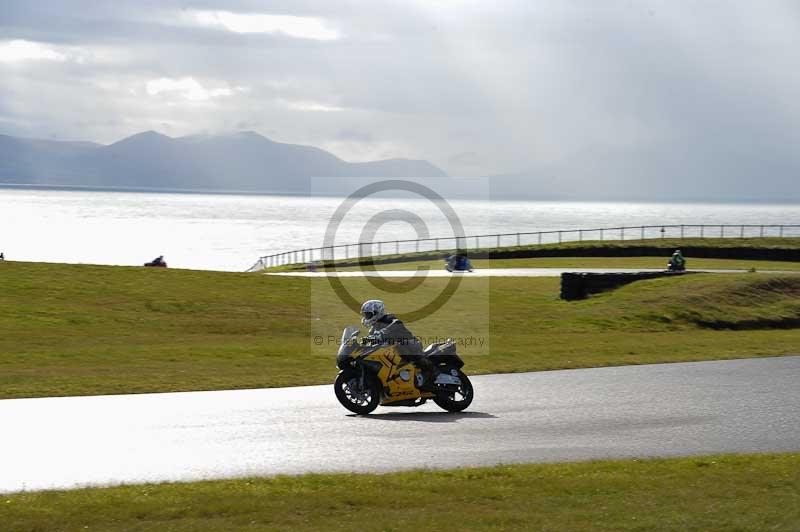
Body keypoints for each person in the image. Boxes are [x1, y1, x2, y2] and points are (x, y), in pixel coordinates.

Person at [360, 299, 436, 390]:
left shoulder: (390, 319)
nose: (367, 317)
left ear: (377, 312)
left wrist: (381, 335)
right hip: (394, 352)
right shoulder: (373, 329)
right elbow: (372, 341)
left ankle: (430, 370)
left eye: (368, 315)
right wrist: (364, 343)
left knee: (402, 346)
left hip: (410, 344)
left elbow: (393, 326)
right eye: (366, 315)